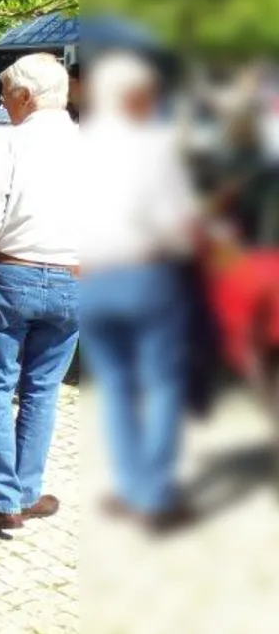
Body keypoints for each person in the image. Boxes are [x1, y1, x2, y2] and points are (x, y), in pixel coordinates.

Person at [0, 52, 82, 533]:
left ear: (26, 96)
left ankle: (1, 497)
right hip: (74, 276)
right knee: (42, 388)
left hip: (12, 273)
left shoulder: (7, 143)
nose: (4, 102)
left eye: (6, 94)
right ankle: (26, 491)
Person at [79, 52, 200, 533]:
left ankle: (132, 487)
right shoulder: (157, 147)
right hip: (147, 275)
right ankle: (154, 493)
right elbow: (177, 222)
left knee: (116, 388)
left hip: (95, 276)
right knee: (162, 383)